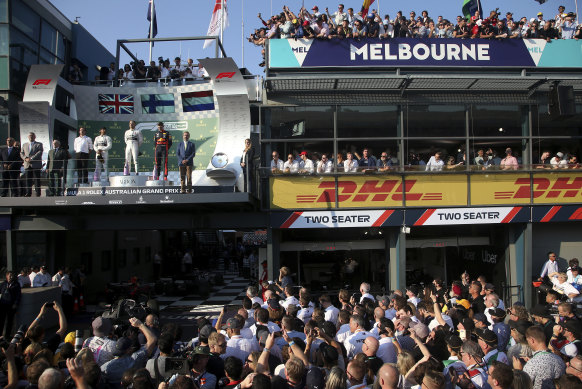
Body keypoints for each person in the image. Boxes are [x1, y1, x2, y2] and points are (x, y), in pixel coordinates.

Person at [20, 132, 44, 197]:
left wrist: (31, 158)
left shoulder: (39, 144)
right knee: (28, 180)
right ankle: (28, 193)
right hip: (27, 165)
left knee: (37, 179)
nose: (31, 137)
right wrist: (25, 158)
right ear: (28, 137)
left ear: (34, 137)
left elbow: (40, 152)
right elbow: (21, 153)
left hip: (35, 164)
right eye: (30, 136)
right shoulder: (24, 144)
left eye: (32, 136)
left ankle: (38, 193)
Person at [0, 271, 21, 337]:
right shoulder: (3, 284)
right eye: (10, 276)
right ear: (7, 276)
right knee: (1, 320)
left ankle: (7, 336)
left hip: (11, 305)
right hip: (3, 305)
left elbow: (18, 295)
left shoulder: (16, 284)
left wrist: (15, 304)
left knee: (10, 321)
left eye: (12, 276)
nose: (11, 277)